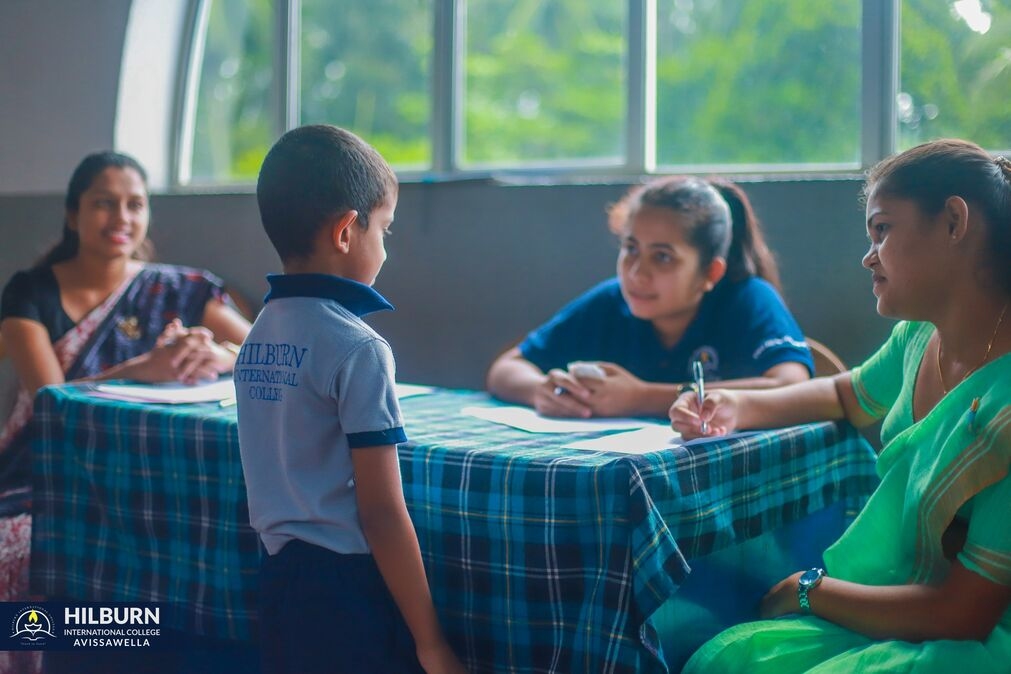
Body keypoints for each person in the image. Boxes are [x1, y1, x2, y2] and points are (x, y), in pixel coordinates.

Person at [670, 139, 1011, 672]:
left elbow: (964, 616)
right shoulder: (919, 339)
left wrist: (809, 590)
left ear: (953, 222)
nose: (868, 256)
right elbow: (843, 394)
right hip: (901, 606)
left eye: (882, 230)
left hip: (972, 641)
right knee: (729, 659)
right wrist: (734, 406)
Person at [0, 151, 251, 674]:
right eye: (103, 204)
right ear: (73, 215)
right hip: (45, 474)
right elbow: (52, 400)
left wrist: (220, 355)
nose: (121, 219)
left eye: (135, 204)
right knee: (23, 556)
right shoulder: (31, 292)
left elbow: (267, 353)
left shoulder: (178, 288)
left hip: (155, 477)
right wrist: (143, 367)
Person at [235, 125, 465, 674]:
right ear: (346, 231)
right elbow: (382, 511)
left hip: (276, 575)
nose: (385, 248)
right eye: (384, 229)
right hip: (345, 588)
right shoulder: (358, 347)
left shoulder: (259, 333)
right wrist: (431, 641)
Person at [486, 176, 813, 418]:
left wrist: (641, 397)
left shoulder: (747, 299)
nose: (636, 273)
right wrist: (540, 391)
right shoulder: (611, 302)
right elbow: (507, 368)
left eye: (663, 257)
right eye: (630, 249)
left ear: (711, 273)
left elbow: (791, 386)